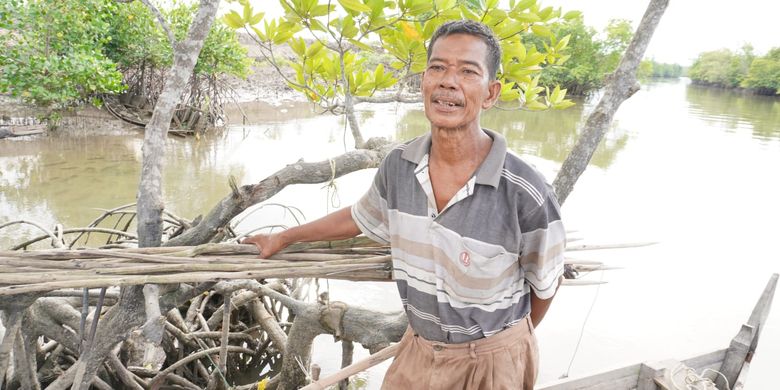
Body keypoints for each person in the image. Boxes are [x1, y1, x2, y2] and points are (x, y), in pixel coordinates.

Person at [243, 20, 565, 390]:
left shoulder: (526, 191)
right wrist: (283, 237)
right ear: (423, 82)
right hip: (420, 347)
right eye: (438, 67)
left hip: (491, 362)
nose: (448, 81)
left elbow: (544, 287)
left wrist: (500, 349)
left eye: (467, 71)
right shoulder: (400, 165)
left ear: (491, 93)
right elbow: (359, 217)